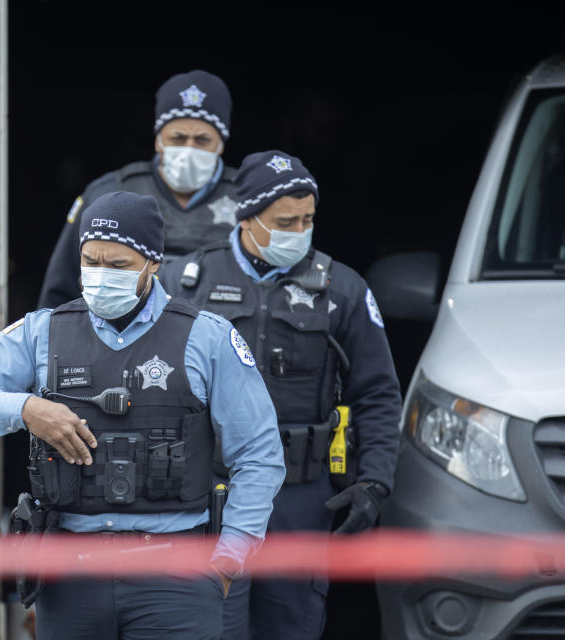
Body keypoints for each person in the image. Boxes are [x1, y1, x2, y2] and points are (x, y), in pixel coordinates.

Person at [0, 191, 286, 640]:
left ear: (152, 263)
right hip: (73, 577)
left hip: (176, 578)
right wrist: (25, 408)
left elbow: (259, 454)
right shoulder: (43, 332)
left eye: (117, 266)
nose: (101, 276)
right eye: (91, 262)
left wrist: (228, 561)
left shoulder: (207, 338)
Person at [159, 151, 402, 639]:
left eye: (307, 219)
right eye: (284, 221)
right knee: (211, 626)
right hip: (213, 493)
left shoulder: (342, 289)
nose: (298, 230)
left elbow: (377, 393)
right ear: (247, 217)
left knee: (292, 627)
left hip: (301, 496)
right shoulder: (185, 283)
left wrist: (374, 484)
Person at [37, 69, 241, 309]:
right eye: (178, 138)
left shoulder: (248, 199)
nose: (189, 149)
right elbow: (60, 291)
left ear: (221, 143)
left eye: (202, 140)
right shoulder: (108, 193)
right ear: (158, 140)